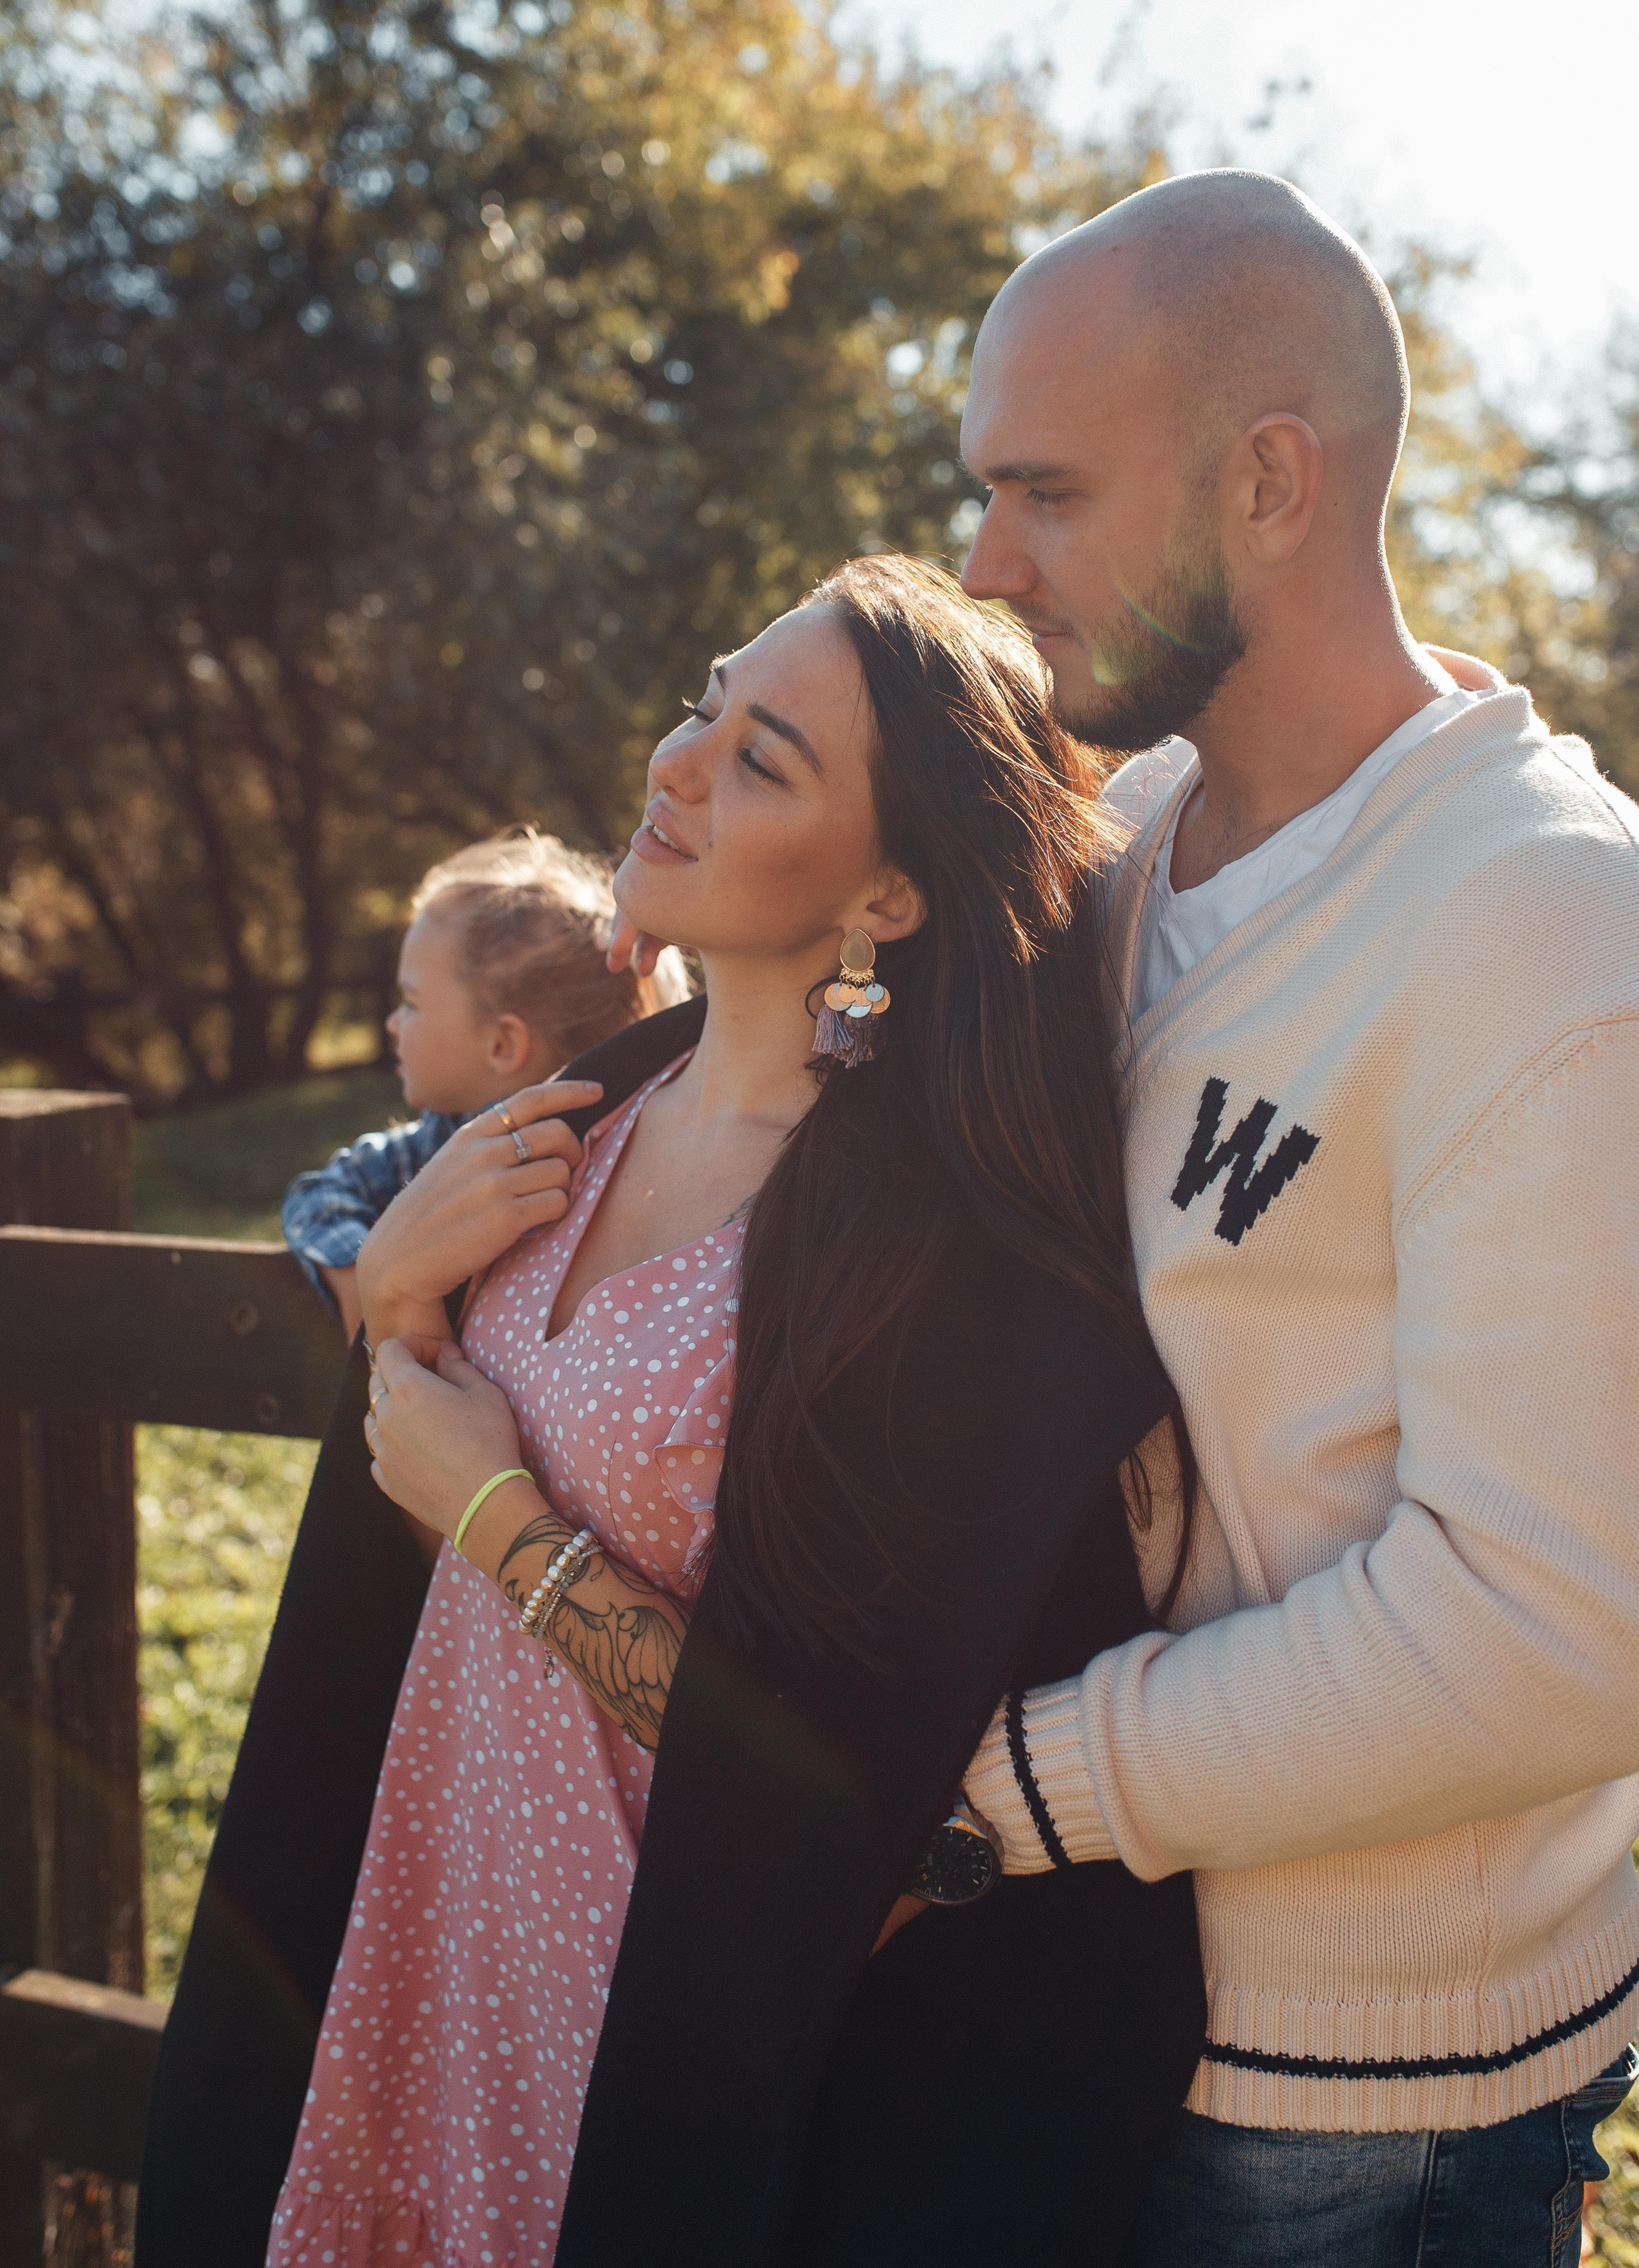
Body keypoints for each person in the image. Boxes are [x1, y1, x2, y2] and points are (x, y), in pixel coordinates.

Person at [136, 557, 1207, 2268]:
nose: (677, 762)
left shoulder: (939, 1256)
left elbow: (847, 1799)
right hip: (430, 1939)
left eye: (764, 759)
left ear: (889, 900)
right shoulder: (583, 1117)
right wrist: (400, 1298)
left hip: (648, 2050)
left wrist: (503, 1521)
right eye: (708, 703)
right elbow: (404, 1486)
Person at [938, 170, 1639, 2266]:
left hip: (1347, 2119)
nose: (984, 567)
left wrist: (994, 1793)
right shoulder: (1127, 831)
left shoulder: (1547, 926)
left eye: (1045, 494)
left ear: (1269, 479)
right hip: (1088, 2007)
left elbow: (1562, 1635)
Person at [281, 828, 689, 1334]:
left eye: (411, 1003)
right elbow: (321, 1194)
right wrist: (361, 1273)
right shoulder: (439, 1142)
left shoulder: (610, 1171)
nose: (392, 1022)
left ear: (502, 1046)